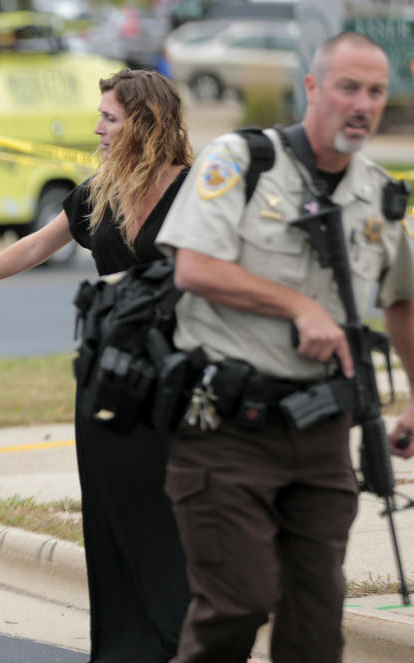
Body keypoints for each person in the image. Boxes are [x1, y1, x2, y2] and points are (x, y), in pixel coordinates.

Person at [0, 69, 196, 662]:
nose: (98, 128)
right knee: (114, 511)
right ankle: (129, 645)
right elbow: (37, 245)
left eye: (110, 118)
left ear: (145, 122)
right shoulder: (100, 191)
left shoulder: (196, 192)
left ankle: (200, 638)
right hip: (110, 372)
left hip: (182, 374)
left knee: (185, 509)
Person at [154, 32, 414, 663]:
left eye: (375, 91)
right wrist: (298, 305)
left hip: (323, 431)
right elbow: (194, 267)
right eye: (348, 86)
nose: (362, 103)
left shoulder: (379, 195)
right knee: (237, 602)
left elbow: (402, 301)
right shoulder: (242, 162)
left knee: (316, 620)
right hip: (227, 429)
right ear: (313, 88)